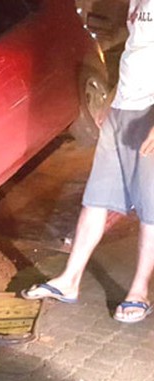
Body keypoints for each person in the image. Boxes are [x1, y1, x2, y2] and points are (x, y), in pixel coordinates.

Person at [21, 0, 154, 324]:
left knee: (151, 208)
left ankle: (139, 290)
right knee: (97, 198)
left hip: (150, 111)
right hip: (122, 108)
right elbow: (136, 47)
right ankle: (69, 280)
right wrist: (113, 97)